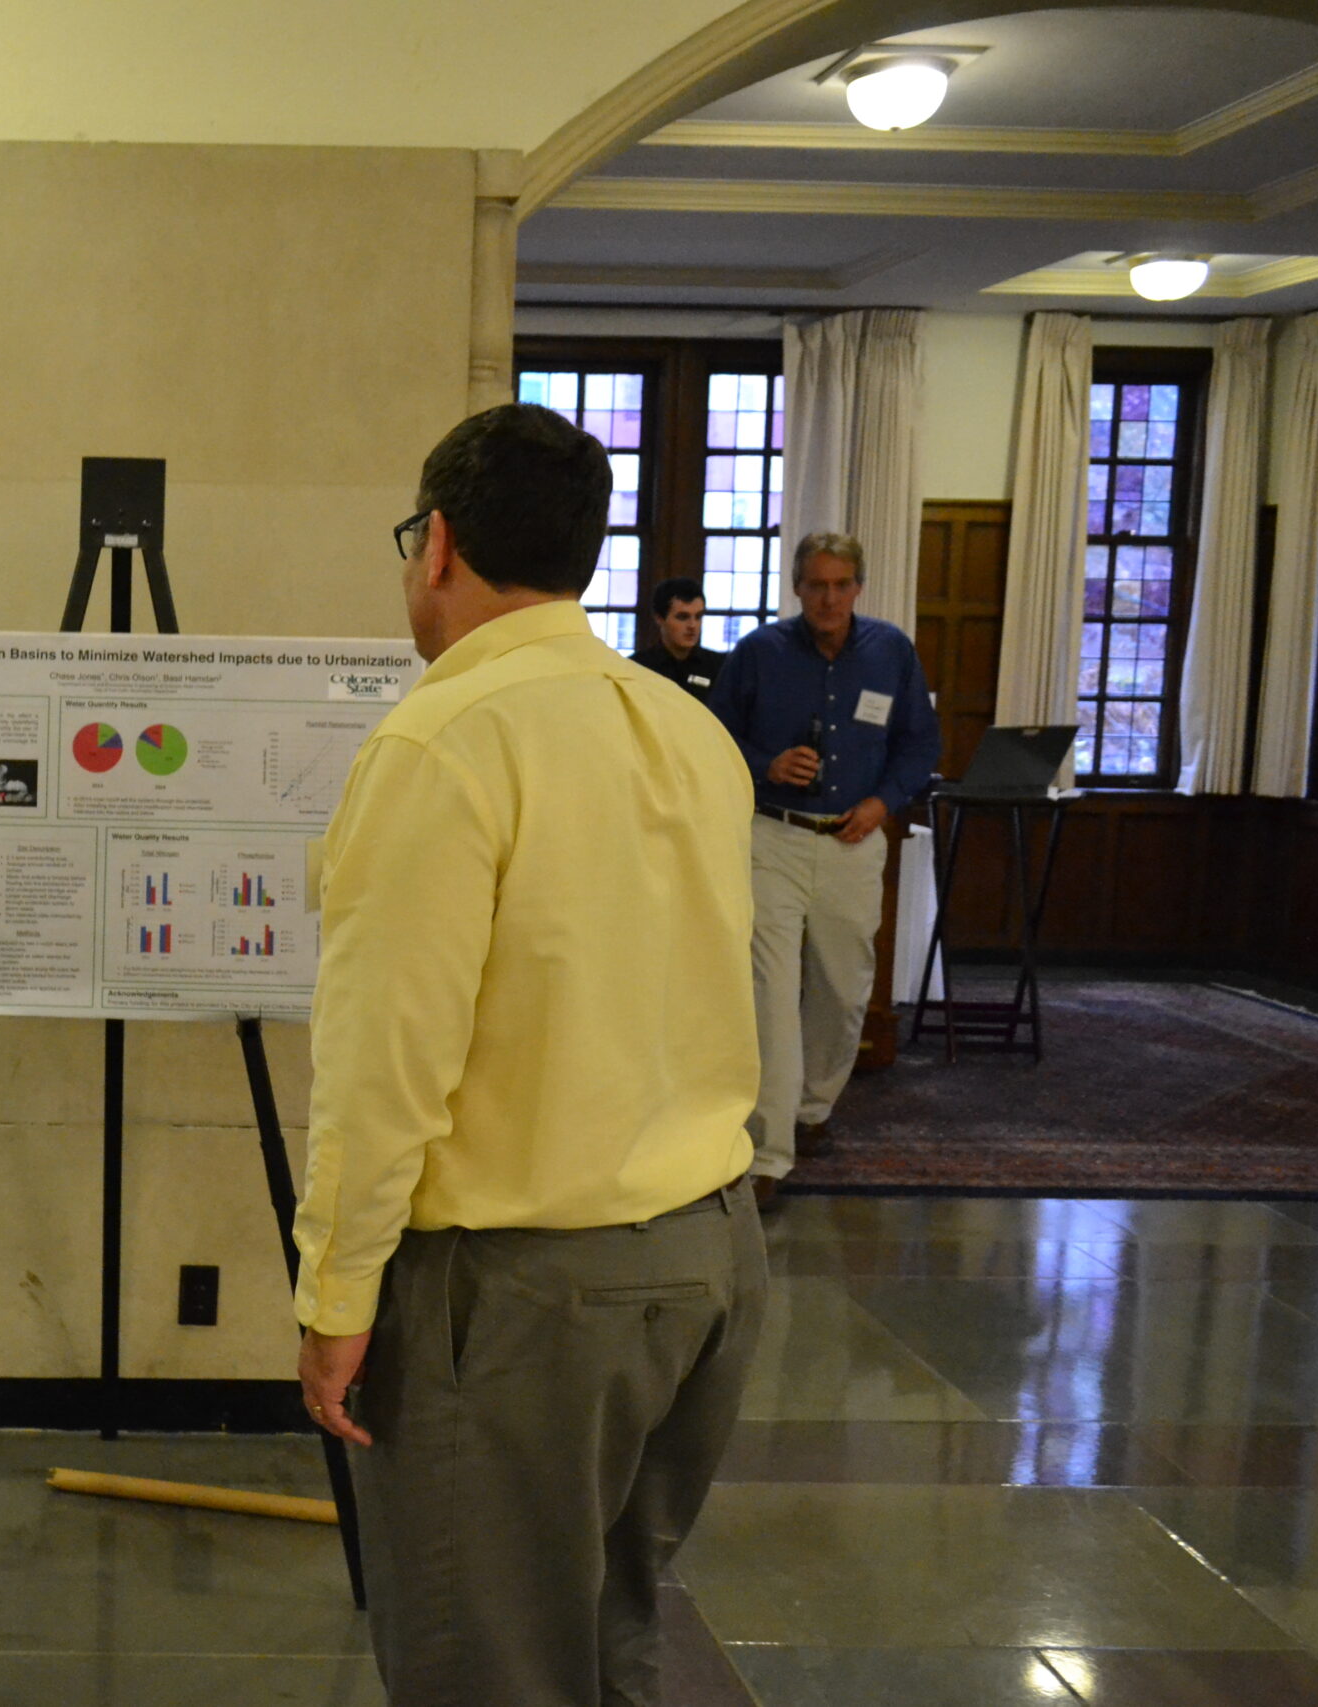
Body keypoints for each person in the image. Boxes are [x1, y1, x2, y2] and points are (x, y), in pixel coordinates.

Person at [294, 404, 766, 1707]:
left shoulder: (442, 740)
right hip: (707, 1259)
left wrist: (336, 1295)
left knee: (486, 1662)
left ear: (437, 543)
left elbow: (387, 1062)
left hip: (525, 1297)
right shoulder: (685, 728)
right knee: (609, 1638)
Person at [708, 532, 941, 1205]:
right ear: (797, 587)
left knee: (842, 989)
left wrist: (883, 802)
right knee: (770, 994)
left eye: (841, 585)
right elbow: (712, 737)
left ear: (858, 587)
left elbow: (920, 744)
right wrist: (766, 765)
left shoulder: (891, 651)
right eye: (817, 585)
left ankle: (812, 1108)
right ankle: (767, 1152)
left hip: (853, 841)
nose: (829, 598)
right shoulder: (759, 653)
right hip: (772, 838)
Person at [629, 574, 727, 699]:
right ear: (659, 619)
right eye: (682, 617)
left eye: (698, 617)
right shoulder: (638, 667)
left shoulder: (719, 667)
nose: (692, 625)